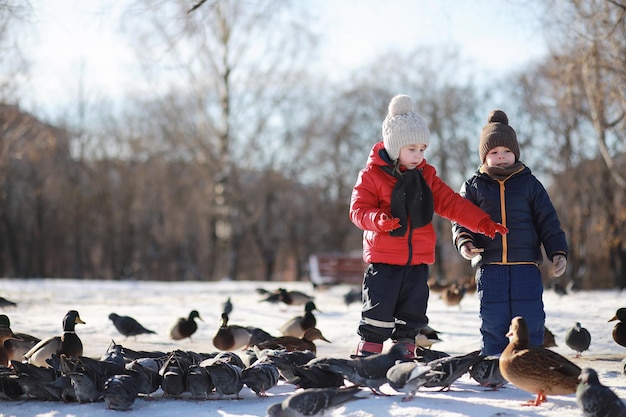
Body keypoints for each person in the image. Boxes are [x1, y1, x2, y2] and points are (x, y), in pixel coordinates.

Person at [349, 94, 508, 357]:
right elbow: (358, 210)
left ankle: (404, 351)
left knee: (411, 315)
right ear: (394, 146)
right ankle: (369, 355)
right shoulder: (372, 175)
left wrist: (481, 222)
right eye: (412, 149)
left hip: (418, 262)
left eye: (422, 149)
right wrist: (378, 220)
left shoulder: (426, 175)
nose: (418, 155)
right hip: (384, 260)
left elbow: (451, 202)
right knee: (378, 312)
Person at [452, 109, 568, 356]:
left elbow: (548, 220)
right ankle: (494, 360)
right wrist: (464, 241)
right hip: (490, 264)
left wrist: (557, 251)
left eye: (506, 151)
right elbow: (460, 219)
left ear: (515, 153)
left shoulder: (530, 184)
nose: (501, 157)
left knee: (530, 315)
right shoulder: (473, 186)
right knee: (493, 316)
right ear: (484, 157)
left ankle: (531, 360)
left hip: (526, 264)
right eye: (494, 152)